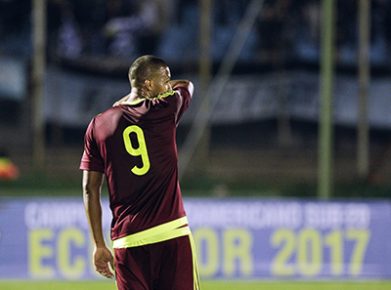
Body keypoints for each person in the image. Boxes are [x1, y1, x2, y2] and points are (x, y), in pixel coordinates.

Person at [80, 55, 200, 290]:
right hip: (171, 232)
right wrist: (165, 89)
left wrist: (98, 244)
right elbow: (186, 85)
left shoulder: (98, 125)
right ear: (147, 84)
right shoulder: (166, 108)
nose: (168, 85)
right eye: (164, 79)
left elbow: (89, 188)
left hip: (128, 240)